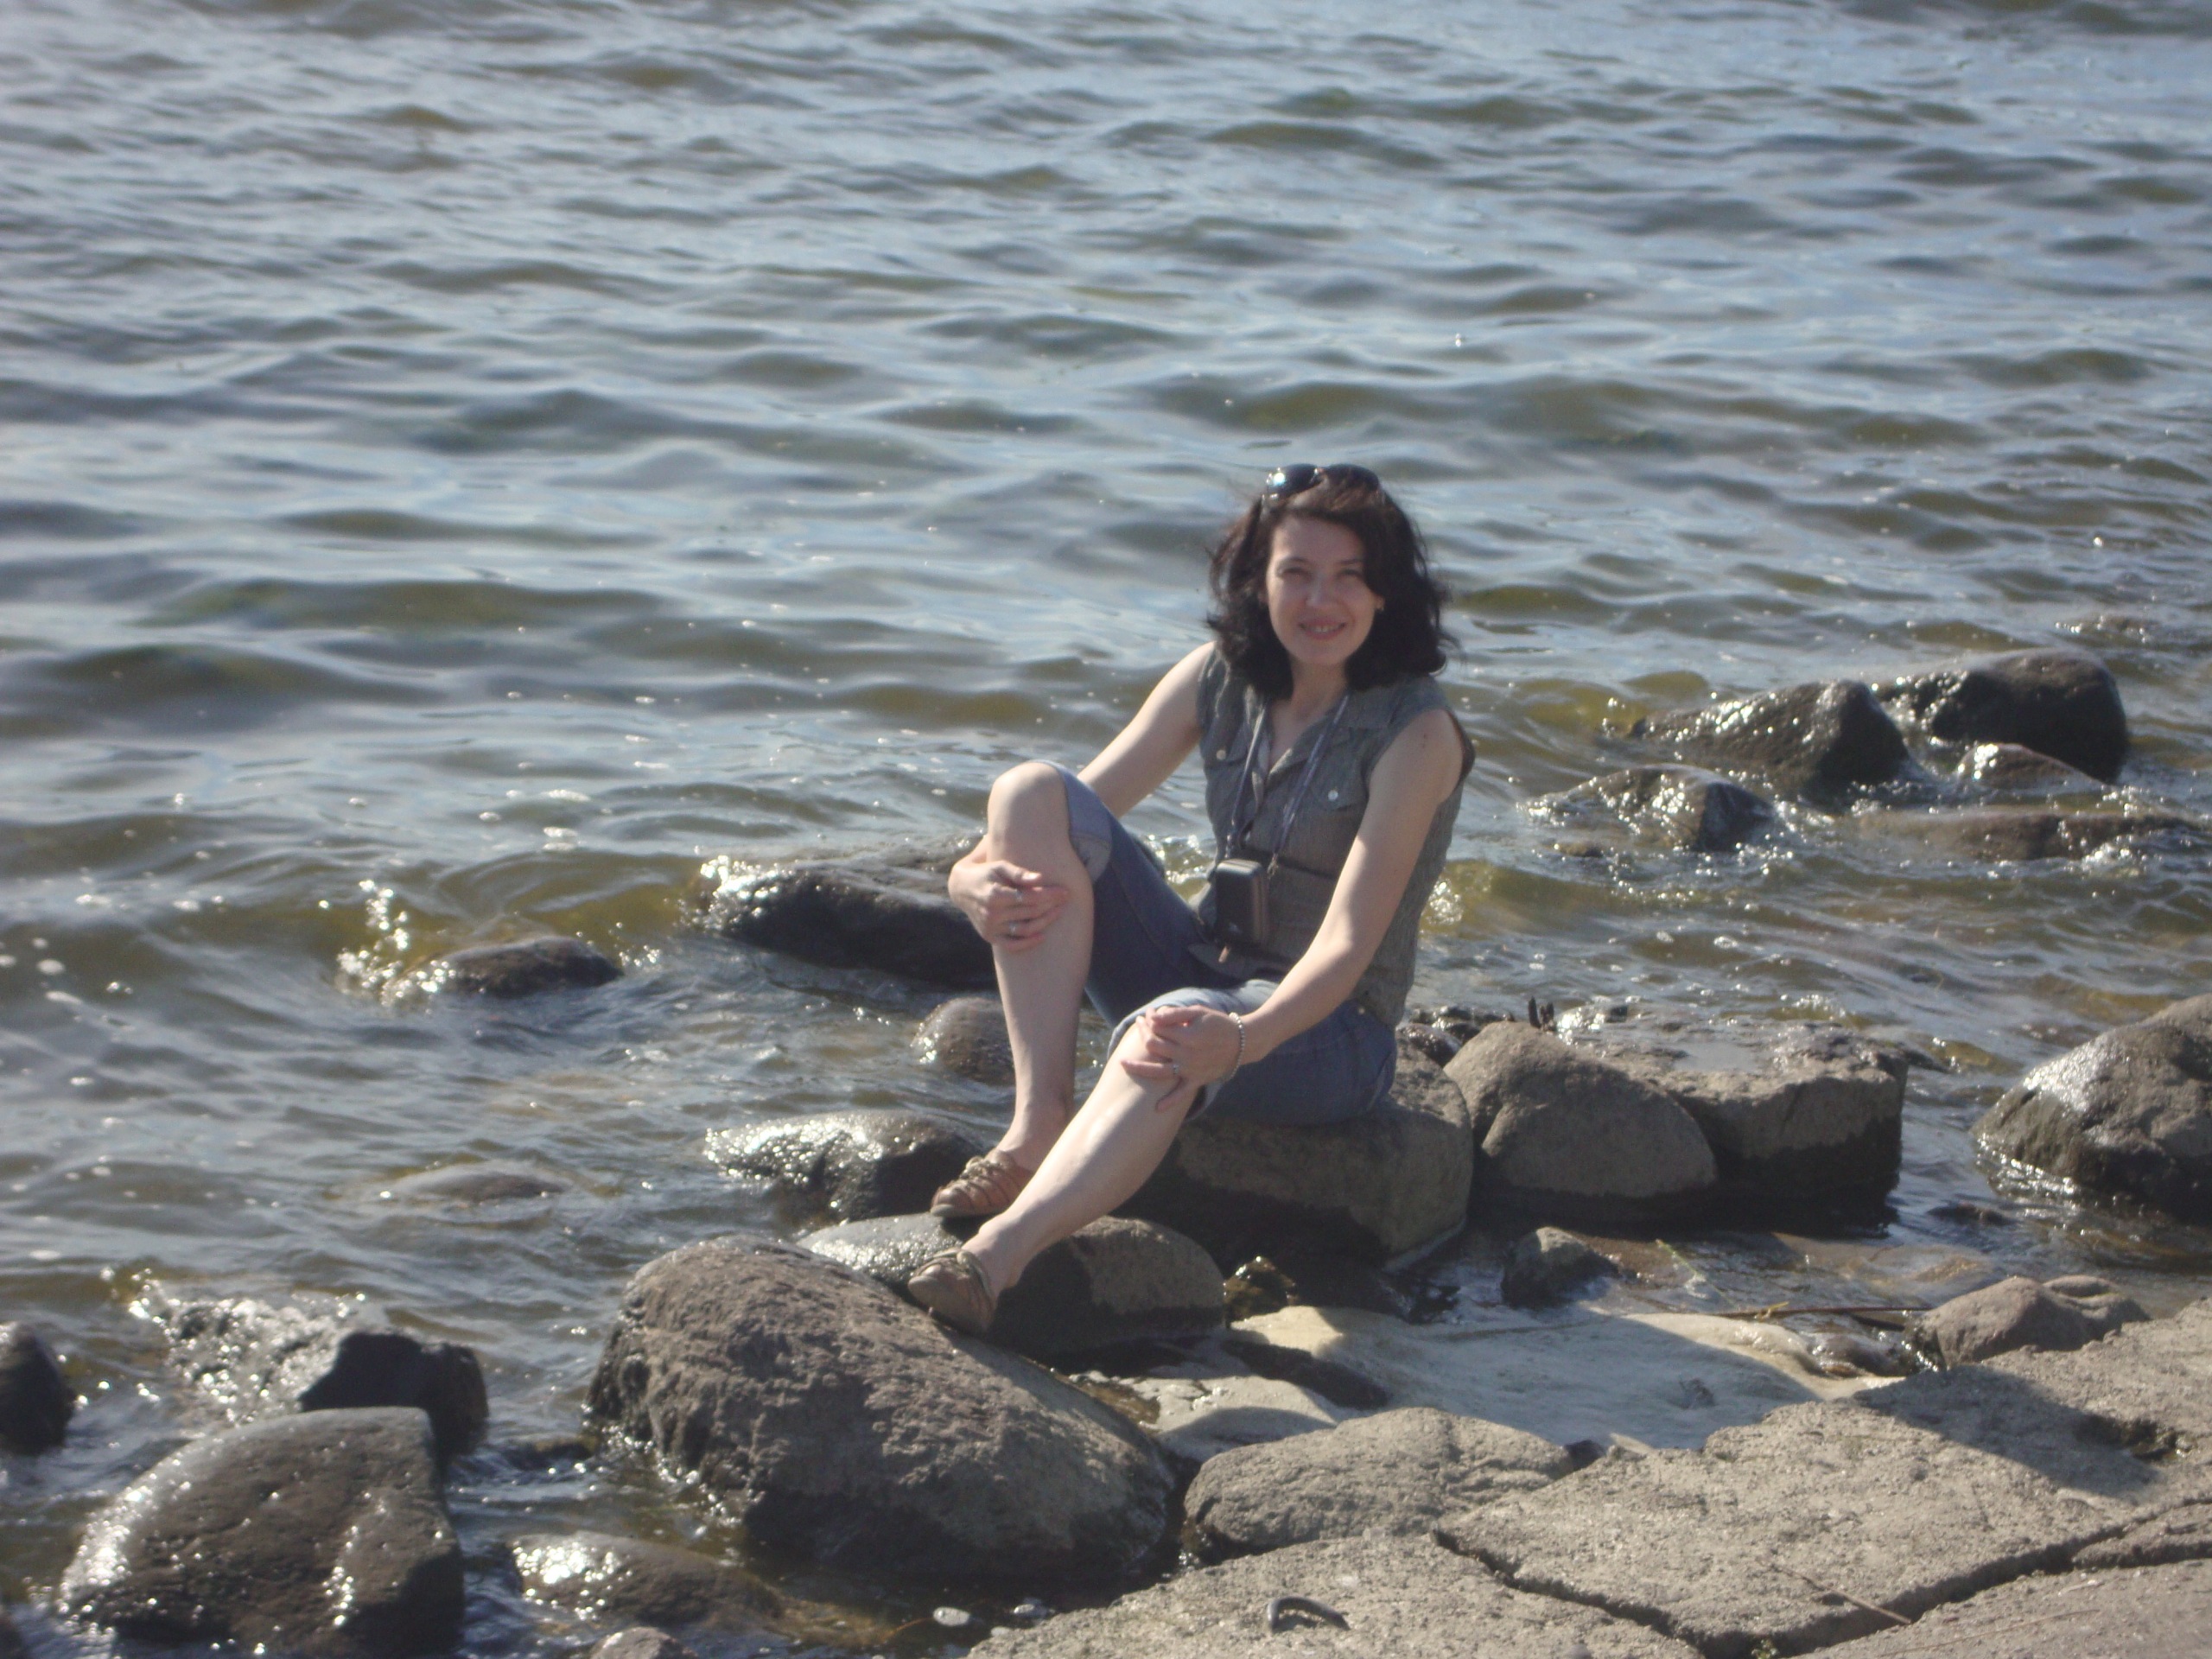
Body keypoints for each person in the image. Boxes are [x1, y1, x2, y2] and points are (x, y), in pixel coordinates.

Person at [907, 463, 1474, 1335]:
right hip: (1208, 965)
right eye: (1296, 573)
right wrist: (965, 881)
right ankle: (1038, 1124)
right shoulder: (1218, 677)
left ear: (1386, 592)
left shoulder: (1416, 732)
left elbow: (1348, 944)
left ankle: (993, 1261)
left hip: (1329, 1030)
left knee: (1165, 1030)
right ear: (1257, 581)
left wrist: (1241, 1040)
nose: (1320, 601)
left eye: (1348, 577)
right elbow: (1067, 813)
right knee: (1028, 790)